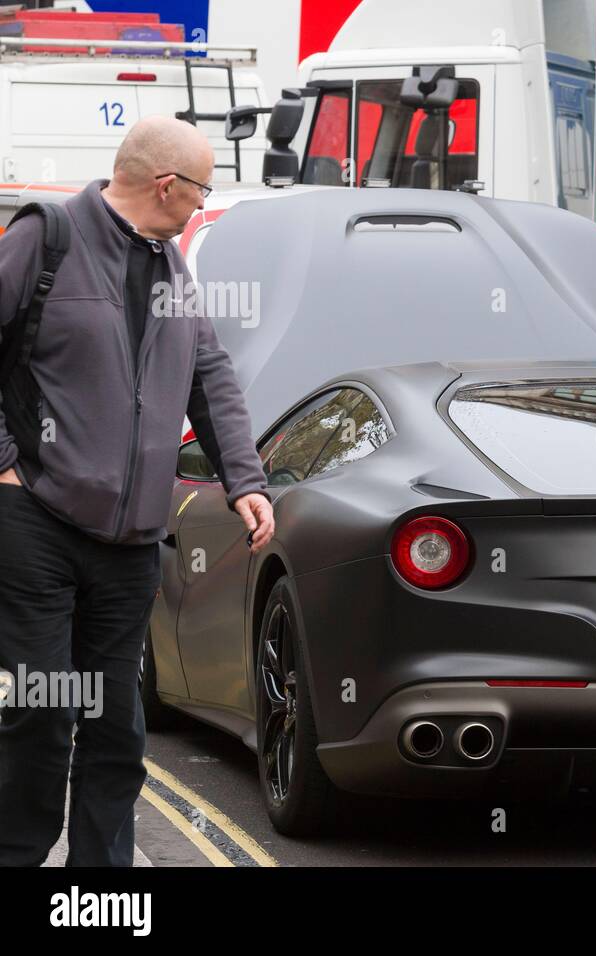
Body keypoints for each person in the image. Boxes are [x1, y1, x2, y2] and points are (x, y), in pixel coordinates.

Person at [0, 116, 273, 866]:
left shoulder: (170, 266)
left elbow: (209, 378)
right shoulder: (45, 238)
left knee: (116, 725)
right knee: (40, 710)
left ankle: (100, 885)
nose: (200, 204)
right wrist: (5, 463)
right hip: (38, 521)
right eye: (201, 189)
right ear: (166, 186)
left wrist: (244, 479)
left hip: (131, 543)